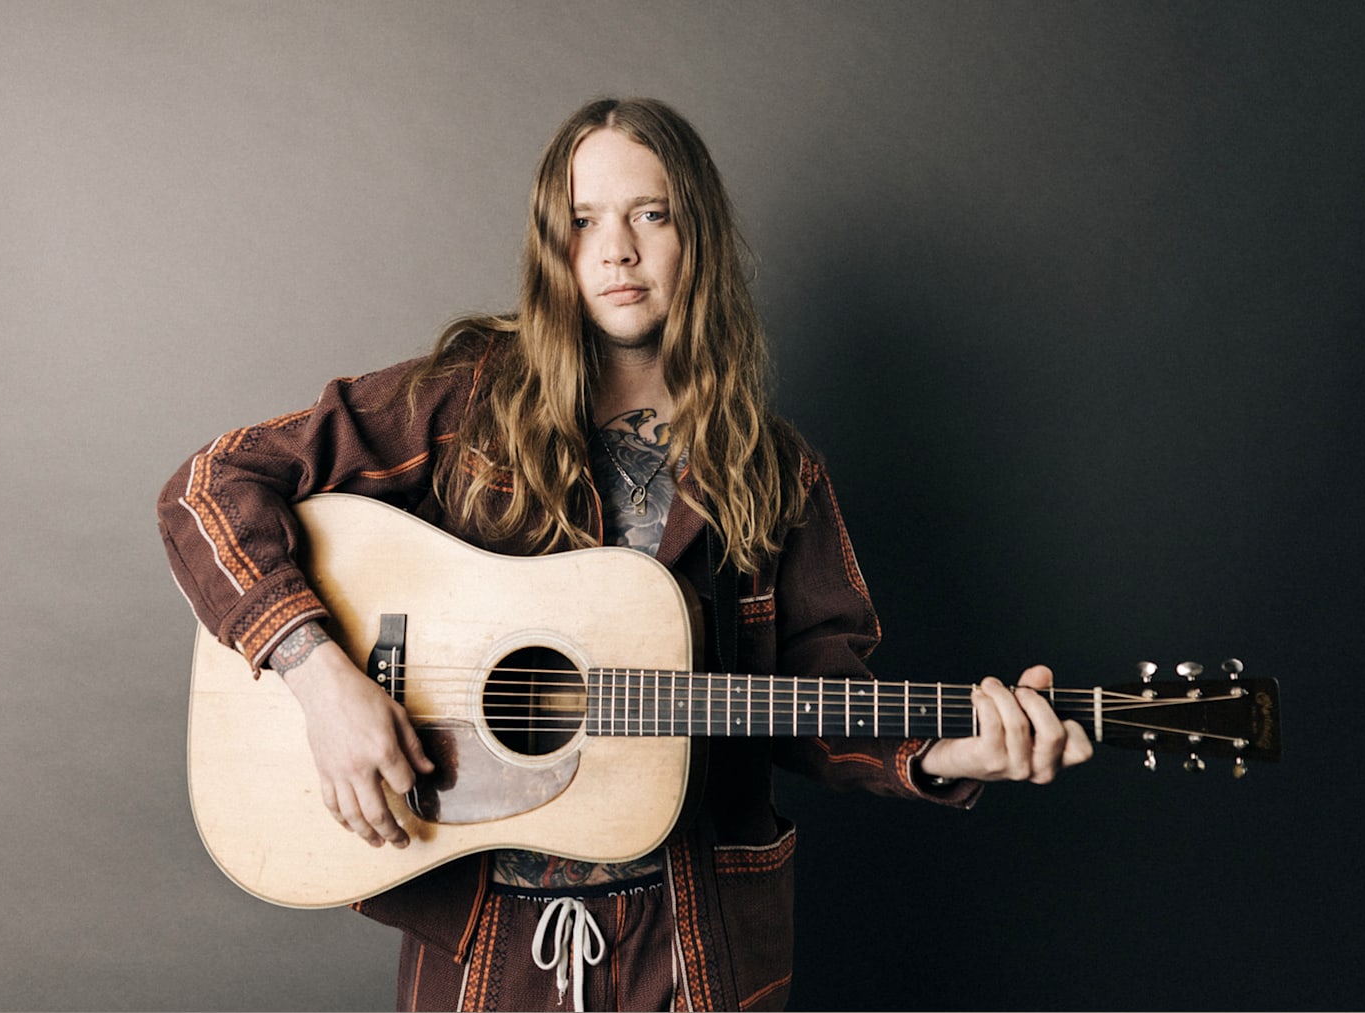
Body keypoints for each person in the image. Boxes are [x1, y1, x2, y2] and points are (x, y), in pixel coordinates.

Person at [157, 96, 1092, 1012]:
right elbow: (206, 488)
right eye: (584, 220)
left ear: (698, 238)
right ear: (553, 245)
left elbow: (814, 696)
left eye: (651, 214)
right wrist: (324, 682)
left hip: (695, 946)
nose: (617, 250)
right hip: (491, 951)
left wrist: (946, 751)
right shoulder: (463, 401)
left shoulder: (775, 468)